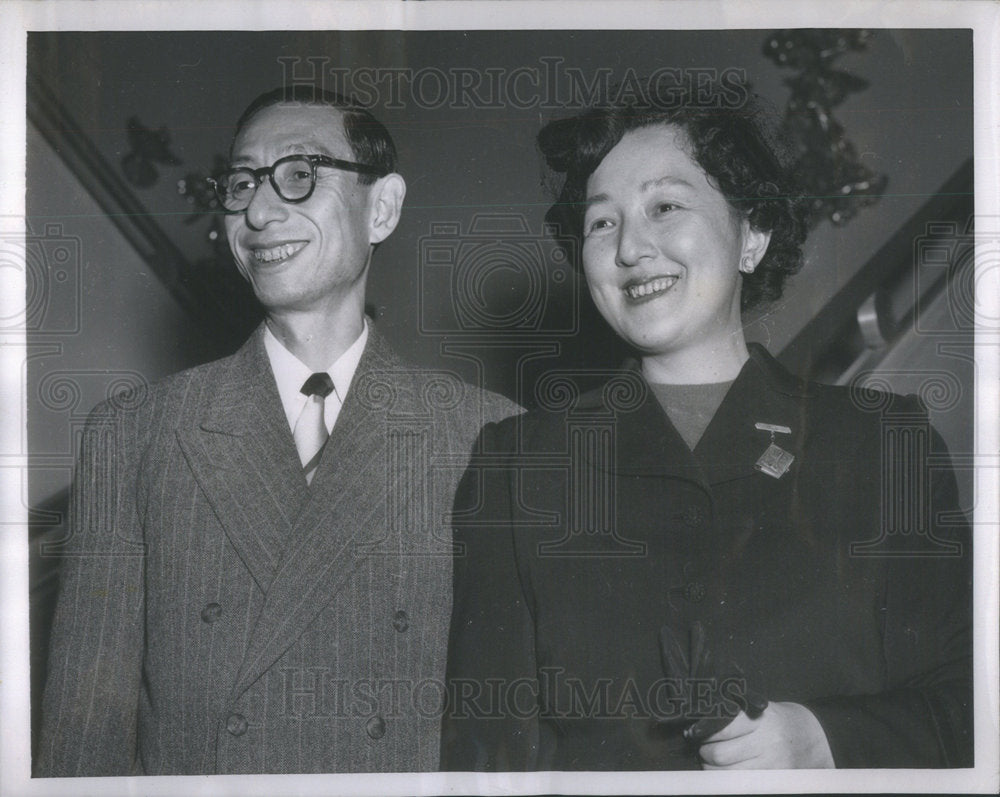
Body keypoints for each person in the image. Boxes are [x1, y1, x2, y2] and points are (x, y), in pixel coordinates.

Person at [441, 83, 972, 770]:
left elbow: (968, 709)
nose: (631, 247)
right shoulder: (517, 464)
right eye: (602, 223)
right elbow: (487, 757)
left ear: (752, 235)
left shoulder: (882, 443)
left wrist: (825, 740)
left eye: (665, 206)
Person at [36, 86, 517, 776]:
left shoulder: (489, 432)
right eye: (240, 183)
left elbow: (507, 733)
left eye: (298, 176)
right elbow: (86, 729)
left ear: (382, 207)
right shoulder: (133, 434)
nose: (258, 212)